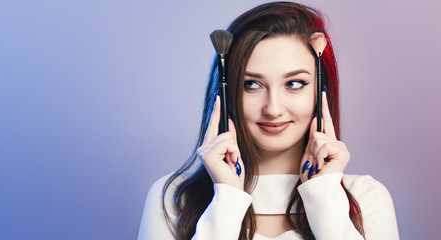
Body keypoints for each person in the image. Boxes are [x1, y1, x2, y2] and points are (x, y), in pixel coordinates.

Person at [138, 2, 399, 240]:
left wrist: (325, 196)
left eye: (294, 84)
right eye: (252, 84)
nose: (273, 108)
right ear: (227, 94)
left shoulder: (365, 199)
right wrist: (226, 198)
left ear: (322, 91)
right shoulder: (174, 199)